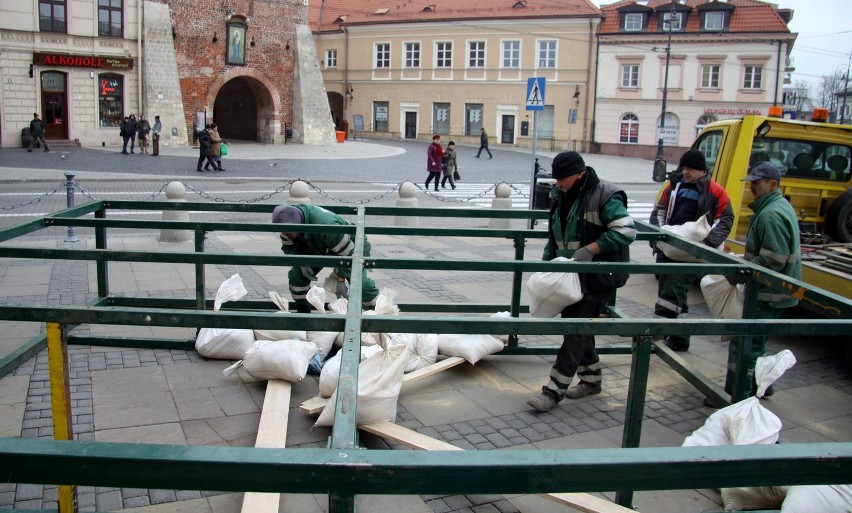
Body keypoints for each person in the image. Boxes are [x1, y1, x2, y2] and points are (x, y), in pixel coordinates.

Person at [527, 151, 636, 412]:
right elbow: (556, 235)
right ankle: (592, 380)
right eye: (556, 178)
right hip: (571, 275)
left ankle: (553, 391)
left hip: (599, 275)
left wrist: (593, 248)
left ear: (580, 174)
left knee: (575, 330)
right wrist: (548, 264)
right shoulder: (560, 195)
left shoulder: (605, 195)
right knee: (578, 328)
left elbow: (627, 230)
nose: (558, 183)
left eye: (563, 178)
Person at [707, 162, 802, 407]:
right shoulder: (777, 207)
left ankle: (740, 396)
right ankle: (760, 385)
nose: (751, 188)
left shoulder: (770, 214)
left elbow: (774, 258)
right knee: (756, 343)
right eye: (751, 183)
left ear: (772, 184)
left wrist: (740, 273)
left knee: (745, 344)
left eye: (756, 183)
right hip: (775, 293)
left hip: (768, 294)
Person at [649, 149, 733, 352]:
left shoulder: (715, 191)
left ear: (701, 170)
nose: (686, 172)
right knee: (677, 295)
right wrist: (657, 238)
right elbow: (659, 211)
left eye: (690, 168)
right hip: (670, 248)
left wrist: (707, 246)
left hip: (691, 253)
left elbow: (725, 219)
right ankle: (680, 338)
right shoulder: (674, 186)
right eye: (683, 167)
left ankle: (655, 336)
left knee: (671, 292)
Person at [272, 204, 379, 313]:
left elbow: (348, 256)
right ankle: (303, 311)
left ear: (298, 223)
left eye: (288, 232)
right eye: (283, 232)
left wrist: (340, 280)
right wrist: (301, 261)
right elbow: (288, 248)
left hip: (350, 245)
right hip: (318, 245)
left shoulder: (327, 226)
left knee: (361, 284)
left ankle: (373, 311)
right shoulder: (288, 225)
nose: (285, 234)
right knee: (296, 277)